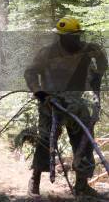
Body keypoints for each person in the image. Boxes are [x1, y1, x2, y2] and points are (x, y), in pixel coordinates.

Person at [25, 17, 107, 197]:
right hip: (50, 103)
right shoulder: (47, 53)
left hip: (77, 104)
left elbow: (101, 69)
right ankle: (35, 179)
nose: (75, 40)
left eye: (77, 36)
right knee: (45, 140)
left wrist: (99, 58)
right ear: (61, 37)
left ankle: (82, 185)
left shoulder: (87, 50)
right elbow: (30, 73)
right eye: (71, 37)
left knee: (84, 141)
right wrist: (39, 93)